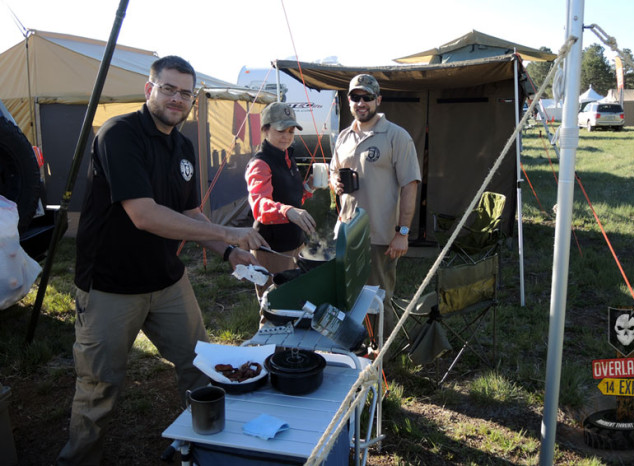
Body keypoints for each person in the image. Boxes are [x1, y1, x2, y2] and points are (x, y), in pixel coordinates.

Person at [57, 56, 267, 465]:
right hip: (110, 285)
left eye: (185, 93)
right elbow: (145, 214)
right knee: (100, 386)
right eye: (169, 88)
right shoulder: (120, 134)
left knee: (201, 365)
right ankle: (78, 459)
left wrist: (227, 251)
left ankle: (204, 448)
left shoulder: (182, 146)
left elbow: (189, 213)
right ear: (149, 88)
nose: (177, 99)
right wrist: (227, 232)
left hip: (167, 281)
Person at [330, 74, 421, 347]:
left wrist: (402, 232)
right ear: (348, 101)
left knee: (378, 299)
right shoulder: (344, 137)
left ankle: (385, 357)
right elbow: (335, 170)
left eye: (367, 97)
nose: (361, 103)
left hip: (379, 235)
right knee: (348, 296)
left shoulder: (396, 136)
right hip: (347, 232)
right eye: (355, 97)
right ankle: (358, 346)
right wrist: (335, 180)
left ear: (378, 100)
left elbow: (410, 185)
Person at [245, 102, 317, 299]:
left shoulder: (287, 157)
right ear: (266, 130)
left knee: (294, 300)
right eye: (280, 130)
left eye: (291, 131)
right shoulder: (260, 164)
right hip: (272, 248)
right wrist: (288, 211)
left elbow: (290, 197)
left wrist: (307, 188)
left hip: (294, 242)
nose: (287, 136)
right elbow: (260, 206)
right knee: (274, 304)